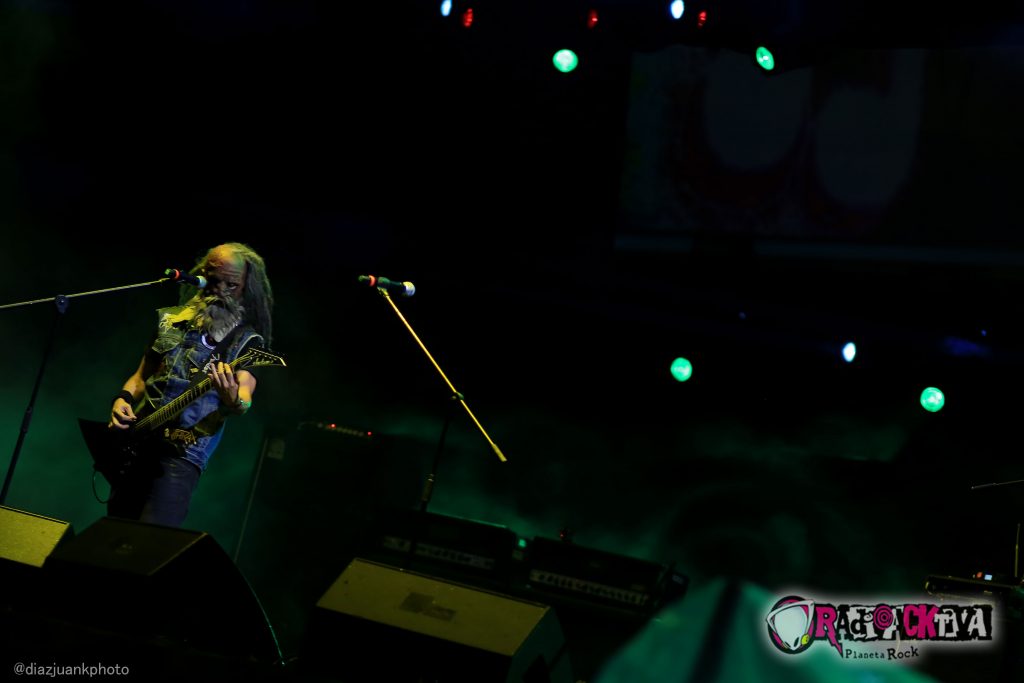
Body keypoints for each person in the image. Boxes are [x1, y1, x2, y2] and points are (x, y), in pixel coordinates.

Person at [105, 242, 274, 527]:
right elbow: (140, 377)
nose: (220, 290)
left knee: (148, 538)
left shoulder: (247, 342)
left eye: (231, 285)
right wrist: (122, 398)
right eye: (214, 279)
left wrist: (233, 398)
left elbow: (244, 398)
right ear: (202, 275)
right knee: (113, 530)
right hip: (137, 443)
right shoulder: (172, 321)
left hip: (182, 454)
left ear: (247, 287)